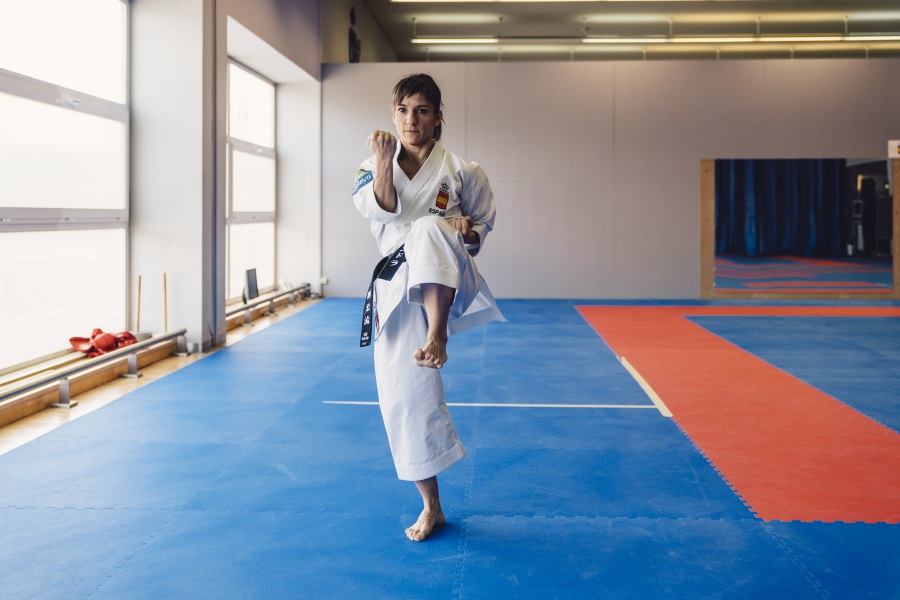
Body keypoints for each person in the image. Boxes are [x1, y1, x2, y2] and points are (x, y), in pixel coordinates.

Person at [352, 73, 505, 542]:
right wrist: (383, 161)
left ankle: (437, 333)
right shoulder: (370, 166)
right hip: (396, 287)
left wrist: (465, 227)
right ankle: (431, 505)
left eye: (421, 111)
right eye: (402, 110)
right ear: (392, 113)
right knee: (403, 395)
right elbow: (380, 210)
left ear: (438, 117)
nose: (410, 120)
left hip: (447, 275)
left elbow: (481, 226)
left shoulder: (463, 170)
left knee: (429, 228)